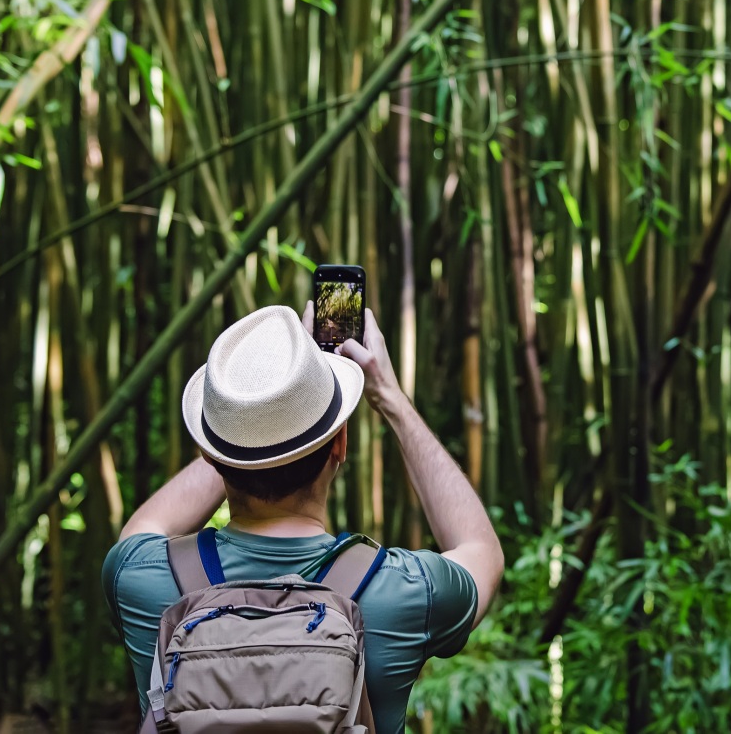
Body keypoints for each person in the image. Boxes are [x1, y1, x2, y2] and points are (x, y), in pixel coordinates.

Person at [103, 304, 504, 732]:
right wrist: (389, 396)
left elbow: (144, 527)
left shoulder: (140, 579)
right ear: (340, 444)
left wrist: (246, 419)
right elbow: (483, 551)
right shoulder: (403, 590)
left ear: (210, 455)